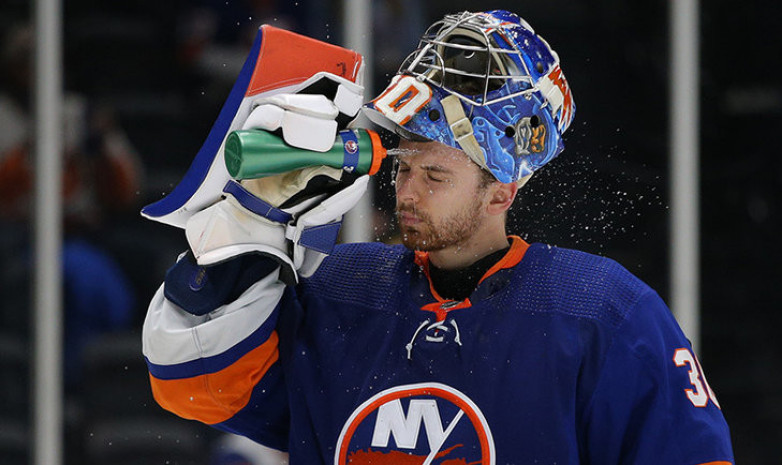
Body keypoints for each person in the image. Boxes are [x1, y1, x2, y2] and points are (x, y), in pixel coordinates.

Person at [142, 10, 734, 464]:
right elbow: (194, 387)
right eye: (404, 166)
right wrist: (250, 227)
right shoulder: (340, 290)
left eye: (435, 174)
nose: (406, 190)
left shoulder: (602, 312)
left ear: (503, 190)